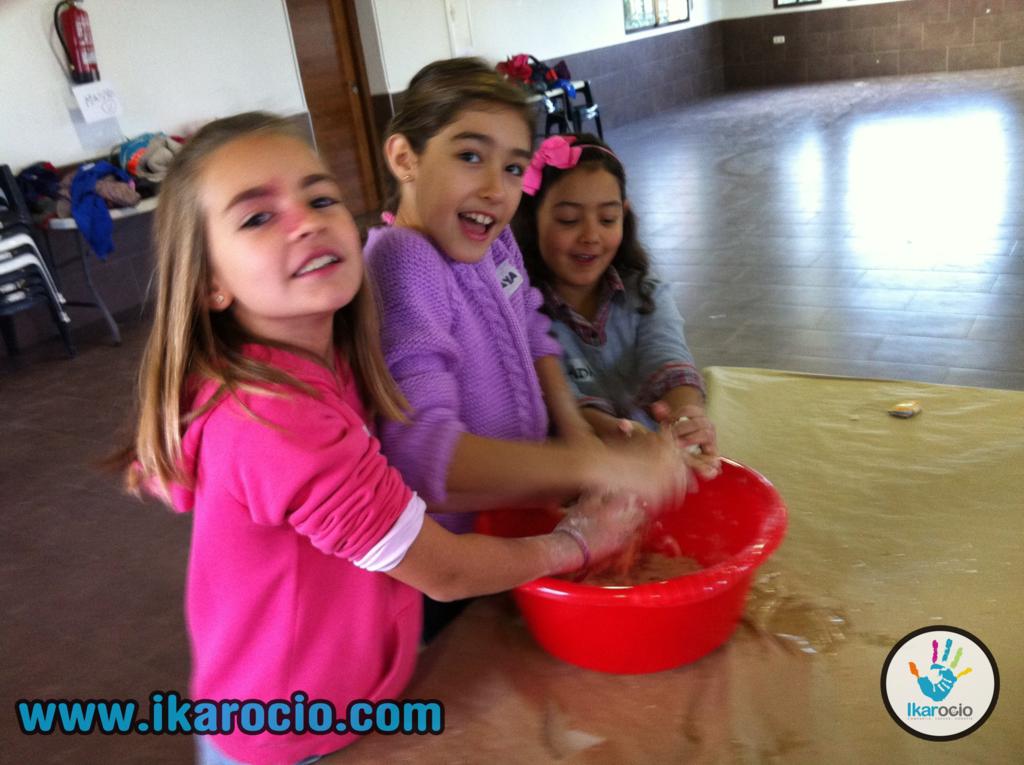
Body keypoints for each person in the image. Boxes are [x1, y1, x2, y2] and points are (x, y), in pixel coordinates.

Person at [121, 112, 673, 765]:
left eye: (320, 199)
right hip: (289, 734)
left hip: (356, 694)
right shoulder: (276, 419)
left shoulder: (330, 357)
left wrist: (576, 436)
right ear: (210, 282)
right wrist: (579, 540)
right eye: (258, 217)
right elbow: (444, 570)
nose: (305, 222)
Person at [363, 59, 687, 639]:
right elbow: (425, 459)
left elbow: (533, 333)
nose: (496, 188)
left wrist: (578, 431)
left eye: (513, 167)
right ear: (405, 158)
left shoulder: (491, 242)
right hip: (455, 557)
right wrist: (595, 465)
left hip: (513, 521)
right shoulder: (403, 261)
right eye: (470, 155)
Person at [512, 133, 720, 477]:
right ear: (533, 220)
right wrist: (618, 434)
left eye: (607, 219)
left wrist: (686, 416)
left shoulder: (645, 293)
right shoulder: (522, 308)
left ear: (624, 215)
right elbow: (560, 399)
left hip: (654, 457)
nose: (591, 236)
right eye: (568, 220)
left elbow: (669, 360)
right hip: (567, 471)